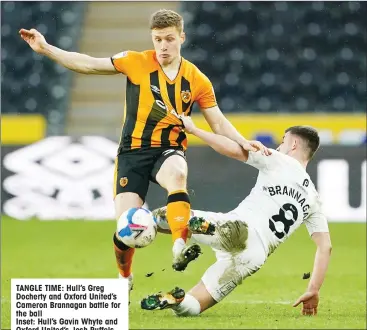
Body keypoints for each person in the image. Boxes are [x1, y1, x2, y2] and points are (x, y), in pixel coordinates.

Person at [19, 9, 269, 292]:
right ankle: (125, 276)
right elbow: (88, 64)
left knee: (177, 174)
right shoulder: (136, 62)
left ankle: (178, 246)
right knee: (126, 230)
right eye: (158, 39)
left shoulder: (196, 80)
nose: (163, 45)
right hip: (132, 153)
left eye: (169, 39)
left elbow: (218, 121)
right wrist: (47, 48)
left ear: (181, 38)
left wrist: (245, 142)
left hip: (168, 148)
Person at [141, 115, 332, 317]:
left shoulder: (279, 160)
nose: (279, 146)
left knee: (164, 214)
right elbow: (325, 246)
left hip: (241, 229)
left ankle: (205, 226)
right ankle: (177, 301)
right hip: (255, 255)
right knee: (192, 307)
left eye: (283, 141)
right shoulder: (314, 197)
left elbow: (233, 149)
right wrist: (314, 289)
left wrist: (194, 130)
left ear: (293, 144)